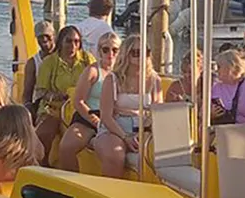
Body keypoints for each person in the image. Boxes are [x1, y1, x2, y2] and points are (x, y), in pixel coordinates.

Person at [93, 35, 163, 178]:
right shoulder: (112, 79)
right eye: (135, 52)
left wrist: (143, 133)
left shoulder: (154, 80)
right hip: (115, 126)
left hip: (143, 127)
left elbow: (158, 112)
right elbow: (106, 116)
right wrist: (125, 137)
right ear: (126, 54)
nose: (141, 56)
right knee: (115, 154)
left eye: (145, 52)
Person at [34, 26, 97, 166]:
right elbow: (40, 91)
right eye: (69, 41)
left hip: (82, 108)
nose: (73, 46)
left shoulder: (87, 59)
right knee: (45, 133)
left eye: (77, 41)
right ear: (60, 42)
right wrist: (57, 96)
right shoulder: (50, 62)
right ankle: (42, 167)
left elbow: (98, 82)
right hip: (54, 109)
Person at [58, 32, 120, 172]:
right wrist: (97, 122)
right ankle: (73, 184)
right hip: (89, 116)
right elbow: (78, 102)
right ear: (99, 51)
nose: (110, 53)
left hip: (114, 118)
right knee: (65, 148)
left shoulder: (122, 73)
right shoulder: (92, 71)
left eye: (115, 50)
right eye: (106, 49)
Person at [211, 50, 245, 124]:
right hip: (220, 131)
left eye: (219, 67)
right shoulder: (215, 88)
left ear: (232, 68)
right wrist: (211, 114)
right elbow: (202, 113)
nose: (216, 70)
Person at [23, 20, 56, 111]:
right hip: (43, 105)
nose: (44, 39)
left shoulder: (62, 57)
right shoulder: (33, 63)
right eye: (40, 37)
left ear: (54, 35)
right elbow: (27, 93)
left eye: (47, 36)